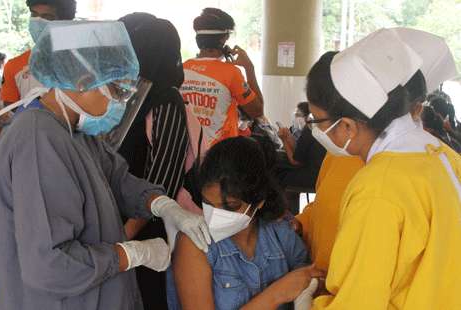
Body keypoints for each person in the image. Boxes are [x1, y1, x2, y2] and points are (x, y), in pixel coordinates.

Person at [0, 20, 211, 310]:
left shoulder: (75, 129)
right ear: (82, 82)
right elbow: (51, 265)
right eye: (116, 91)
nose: (120, 103)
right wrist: (132, 254)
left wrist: (162, 205)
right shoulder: (37, 140)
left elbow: (116, 178)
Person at [306, 29, 461, 309]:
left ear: (348, 126)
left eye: (318, 121)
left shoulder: (377, 187)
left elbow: (359, 300)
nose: (318, 130)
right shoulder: (441, 156)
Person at [167, 136, 324, 310]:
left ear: (259, 201)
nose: (216, 215)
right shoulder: (195, 244)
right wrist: (275, 295)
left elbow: (311, 281)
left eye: (231, 206)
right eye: (208, 204)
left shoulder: (281, 233)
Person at [117, 13, 200, 310]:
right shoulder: (129, 95)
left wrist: (122, 241)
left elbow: (161, 183)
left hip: (145, 234)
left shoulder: (165, 102)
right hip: (121, 235)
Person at [180, 8, 264, 145]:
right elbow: (257, 111)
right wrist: (250, 68)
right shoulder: (231, 73)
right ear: (224, 39)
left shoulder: (183, 69)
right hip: (220, 156)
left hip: (188, 154)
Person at [0, 0, 76, 106]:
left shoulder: (81, 64)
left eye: (47, 17)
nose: (38, 21)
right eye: (34, 14)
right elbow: (10, 114)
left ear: (64, 23)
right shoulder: (13, 67)